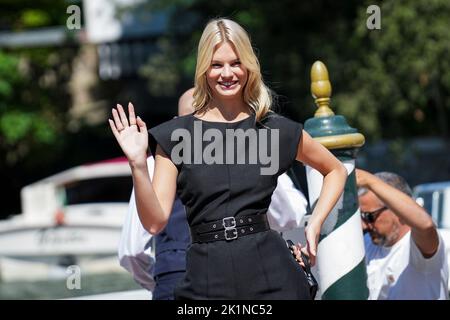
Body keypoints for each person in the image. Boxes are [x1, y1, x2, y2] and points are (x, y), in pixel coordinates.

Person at [109, 18, 347, 299]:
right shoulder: (176, 136)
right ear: (203, 70)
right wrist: (138, 163)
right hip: (205, 280)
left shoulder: (273, 129)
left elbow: (335, 170)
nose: (227, 73)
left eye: (236, 62)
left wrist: (315, 224)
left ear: (248, 66)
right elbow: (154, 222)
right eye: (216, 64)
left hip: (272, 276)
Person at [119, 88, 311, 299]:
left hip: (180, 277)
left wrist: (163, 277)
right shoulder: (250, 148)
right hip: (244, 271)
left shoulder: (153, 162)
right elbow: (291, 215)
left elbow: (132, 250)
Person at [357, 169, 449, 300]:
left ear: (396, 209)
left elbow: (426, 225)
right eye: (361, 216)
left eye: (369, 216)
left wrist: (369, 181)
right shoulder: (366, 243)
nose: (364, 225)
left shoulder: (416, 246)